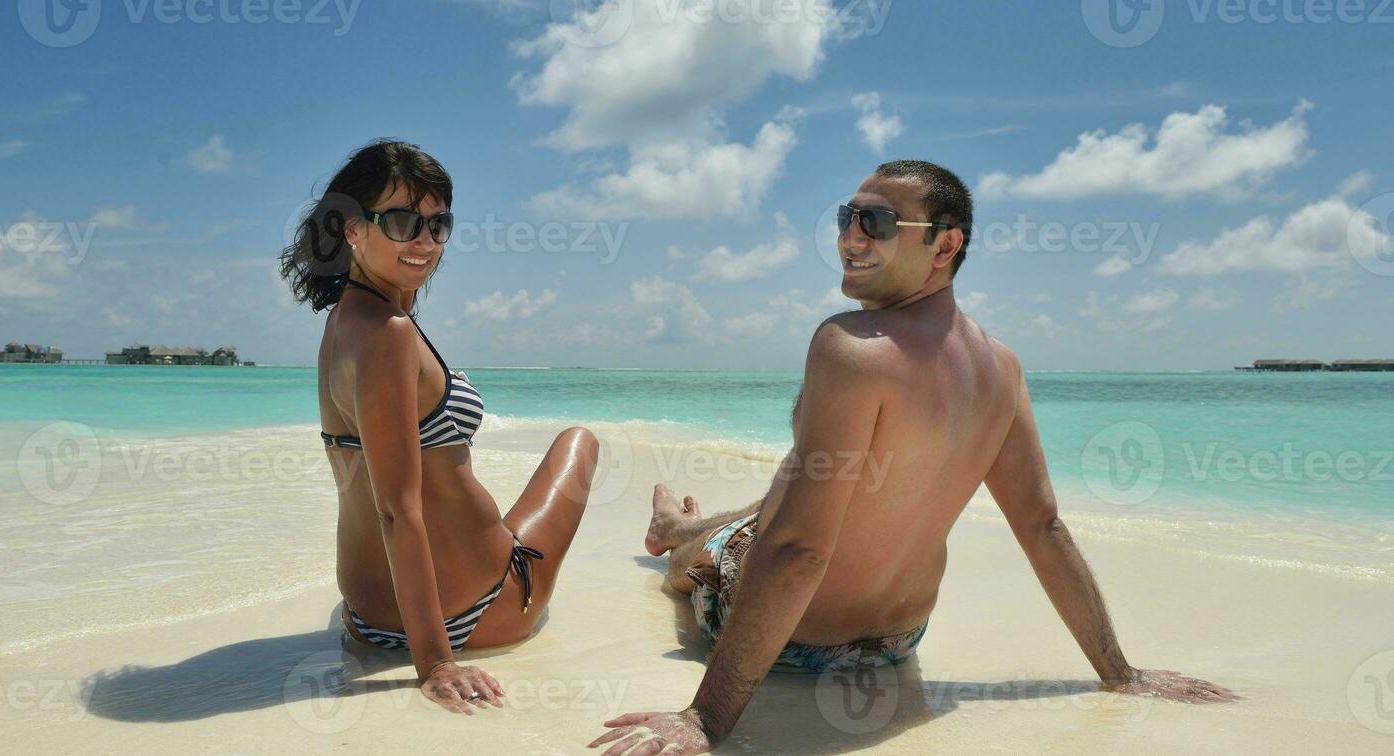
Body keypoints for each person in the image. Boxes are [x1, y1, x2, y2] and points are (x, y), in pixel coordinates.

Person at [591, 159, 1236, 754]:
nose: (850, 238)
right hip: (897, 645)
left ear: (945, 246)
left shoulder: (849, 346)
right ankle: (681, 521)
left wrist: (704, 721)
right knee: (814, 484)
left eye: (876, 223)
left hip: (795, 643)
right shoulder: (1002, 369)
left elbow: (800, 552)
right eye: (846, 217)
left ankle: (677, 534)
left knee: (689, 565)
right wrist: (1121, 673)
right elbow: (1043, 526)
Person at [280, 139, 599, 715]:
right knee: (580, 442)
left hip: (366, 619)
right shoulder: (390, 334)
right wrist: (434, 663)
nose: (424, 241)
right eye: (402, 221)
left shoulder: (343, 323)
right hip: (474, 614)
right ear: (353, 229)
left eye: (438, 224)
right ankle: (676, 530)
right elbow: (398, 509)